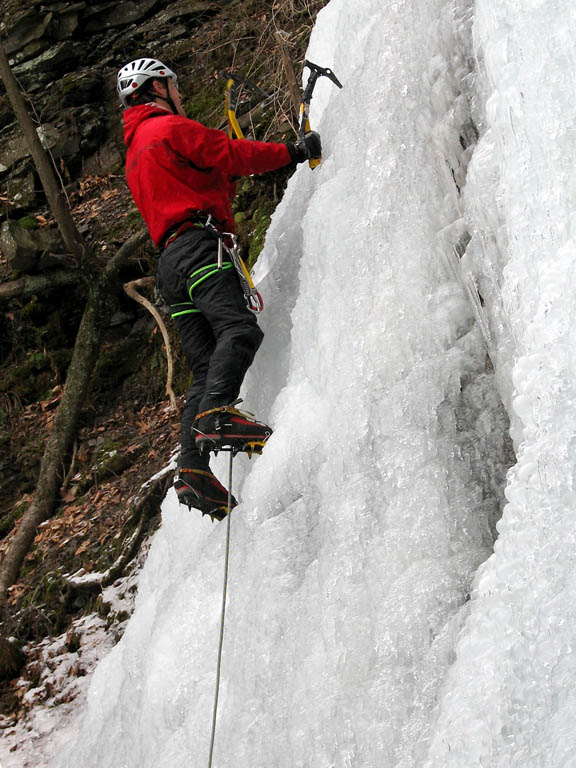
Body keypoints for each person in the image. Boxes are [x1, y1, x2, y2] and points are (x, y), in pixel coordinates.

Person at [117, 57, 321, 520]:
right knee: (239, 330)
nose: (180, 92)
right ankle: (215, 415)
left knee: (204, 365)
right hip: (198, 246)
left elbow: (206, 174)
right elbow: (227, 153)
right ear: (155, 88)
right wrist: (292, 151)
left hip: (170, 265)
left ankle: (192, 468)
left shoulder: (137, 150)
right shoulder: (168, 127)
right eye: (173, 83)